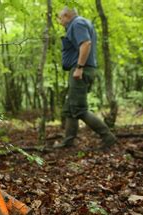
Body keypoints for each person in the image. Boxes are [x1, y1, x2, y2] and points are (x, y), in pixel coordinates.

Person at [53, 7, 116, 150]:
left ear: (67, 15)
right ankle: (68, 141)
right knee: (70, 108)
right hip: (79, 69)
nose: (59, 21)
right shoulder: (79, 23)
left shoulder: (77, 23)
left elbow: (86, 43)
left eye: (60, 18)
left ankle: (108, 137)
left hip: (81, 70)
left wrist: (79, 67)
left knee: (79, 109)